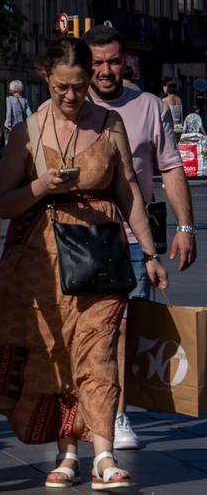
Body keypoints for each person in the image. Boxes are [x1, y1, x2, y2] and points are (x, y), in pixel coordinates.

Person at [0, 37, 169, 490]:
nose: (71, 96)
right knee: (56, 356)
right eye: (62, 86)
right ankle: (66, 453)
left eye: (79, 87)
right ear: (46, 79)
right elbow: (3, 204)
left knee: (99, 353)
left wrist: (151, 253)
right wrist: (41, 187)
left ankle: (104, 453)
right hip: (43, 265)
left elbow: (129, 193)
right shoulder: (29, 132)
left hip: (100, 255)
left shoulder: (110, 124)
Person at [83, 25, 197, 450]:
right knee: (86, 329)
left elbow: (170, 167)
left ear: (125, 59)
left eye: (113, 61)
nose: (106, 71)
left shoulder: (149, 106)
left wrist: (185, 227)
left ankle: (118, 414)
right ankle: (85, 409)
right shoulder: (71, 102)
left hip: (135, 236)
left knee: (126, 329)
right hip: (81, 234)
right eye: (97, 63)